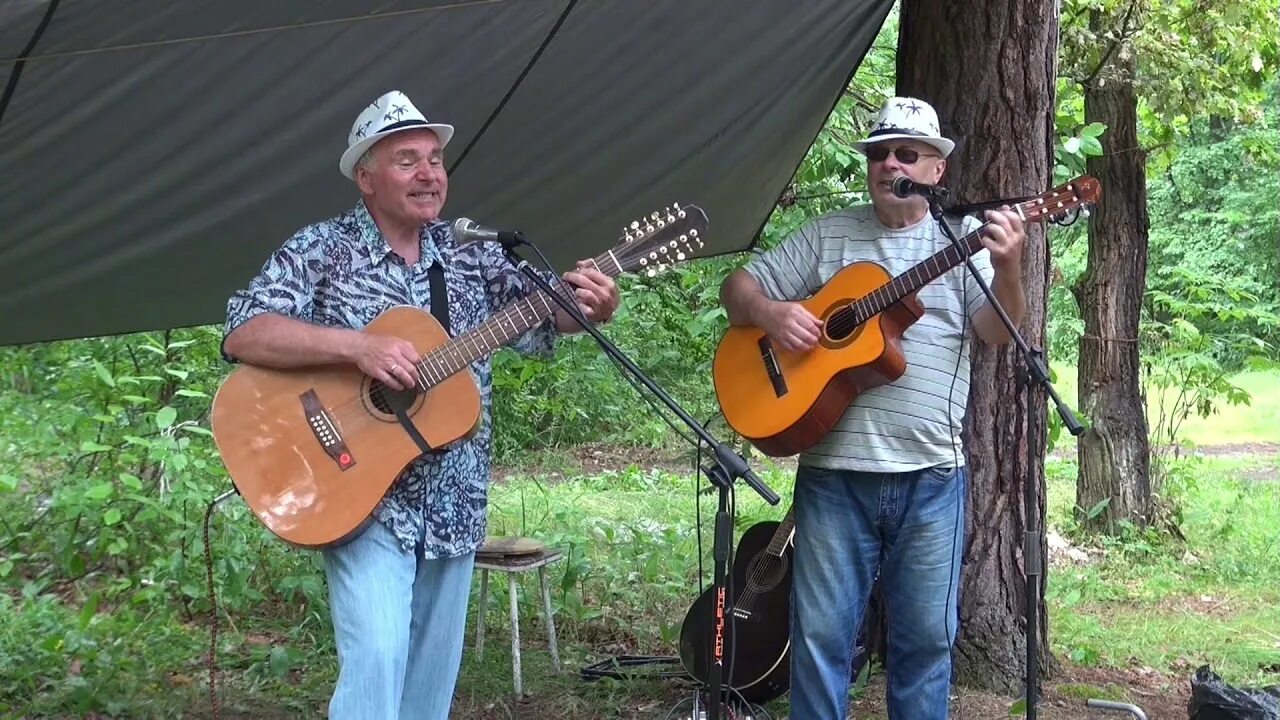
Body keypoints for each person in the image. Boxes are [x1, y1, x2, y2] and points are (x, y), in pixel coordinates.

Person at [221, 90, 620, 720]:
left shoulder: (472, 252)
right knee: (377, 668)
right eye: (407, 160)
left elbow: (548, 322)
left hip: (455, 503)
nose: (430, 173)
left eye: (435, 159)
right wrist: (357, 348)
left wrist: (591, 306)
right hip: (362, 492)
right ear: (366, 178)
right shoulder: (324, 249)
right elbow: (244, 331)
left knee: (428, 696)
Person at [719, 96, 1027, 719]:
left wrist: (1010, 267)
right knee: (819, 641)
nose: (890, 164)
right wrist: (773, 314)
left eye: (905, 154)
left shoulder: (961, 240)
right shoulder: (830, 233)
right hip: (834, 478)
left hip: (932, 477)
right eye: (879, 154)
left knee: (926, 643)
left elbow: (999, 332)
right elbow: (737, 289)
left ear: (936, 170)